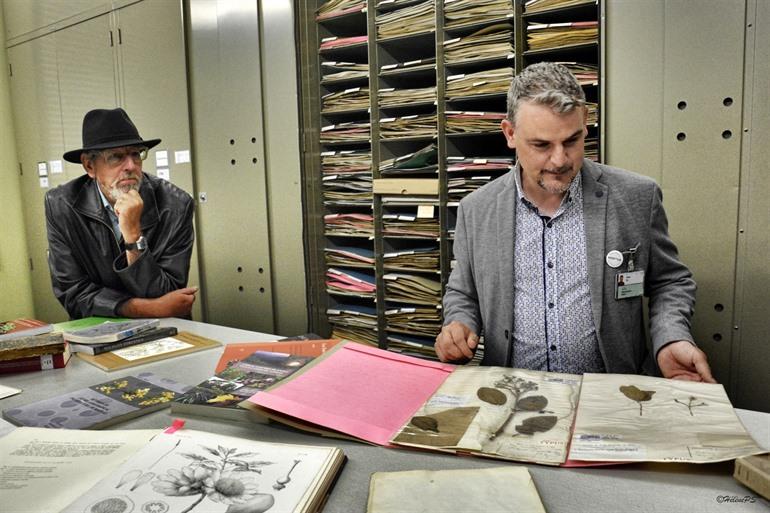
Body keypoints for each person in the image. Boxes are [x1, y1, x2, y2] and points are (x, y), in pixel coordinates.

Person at [436, 62, 714, 383]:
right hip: (514, 394)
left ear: (584, 124)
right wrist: (459, 324)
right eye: (541, 145)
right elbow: (464, 292)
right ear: (510, 134)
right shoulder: (477, 209)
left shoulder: (637, 196)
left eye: (572, 140)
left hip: (612, 393)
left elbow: (670, 282)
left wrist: (671, 338)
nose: (560, 160)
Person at [45, 108, 198, 319]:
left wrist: (134, 238)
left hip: (165, 334)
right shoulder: (61, 205)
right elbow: (73, 294)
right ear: (90, 165)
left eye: (136, 154)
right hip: (98, 331)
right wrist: (146, 308)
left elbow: (168, 294)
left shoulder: (176, 205)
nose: (131, 166)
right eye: (116, 157)